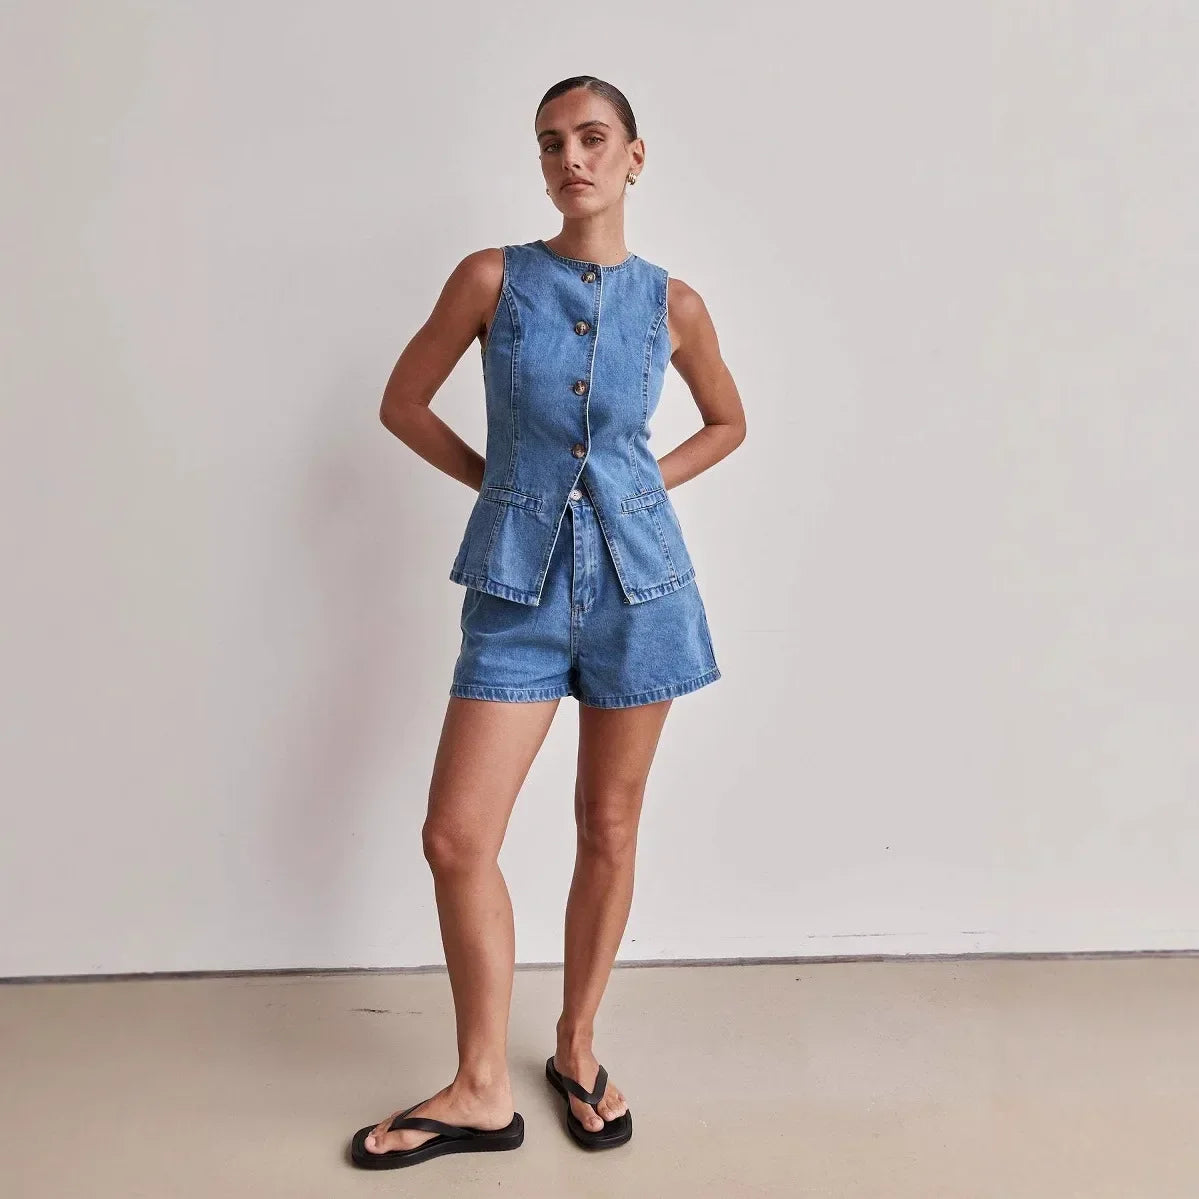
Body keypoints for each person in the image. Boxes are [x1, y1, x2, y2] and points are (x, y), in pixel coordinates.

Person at [349, 75, 747, 1170]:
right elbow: (401, 401)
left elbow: (727, 422)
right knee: (456, 835)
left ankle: (575, 1043)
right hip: (515, 590)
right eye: (551, 142)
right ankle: (481, 1086)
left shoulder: (673, 305)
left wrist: (640, 489)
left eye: (592, 138)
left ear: (634, 156)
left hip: (641, 590)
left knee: (607, 825)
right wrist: (503, 488)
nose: (571, 157)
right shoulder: (492, 279)